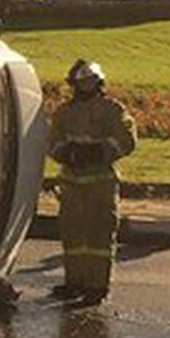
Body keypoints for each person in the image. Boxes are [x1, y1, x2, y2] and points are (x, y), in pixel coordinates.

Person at [48, 60, 137, 302]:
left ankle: (97, 286)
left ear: (98, 83)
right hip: (71, 184)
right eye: (80, 82)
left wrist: (98, 151)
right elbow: (52, 141)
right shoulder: (64, 112)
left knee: (99, 236)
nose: (85, 86)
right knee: (73, 236)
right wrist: (67, 152)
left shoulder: (112, 110)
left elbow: (127, 140)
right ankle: (74, 282)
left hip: (101, 184)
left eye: (89, 81)